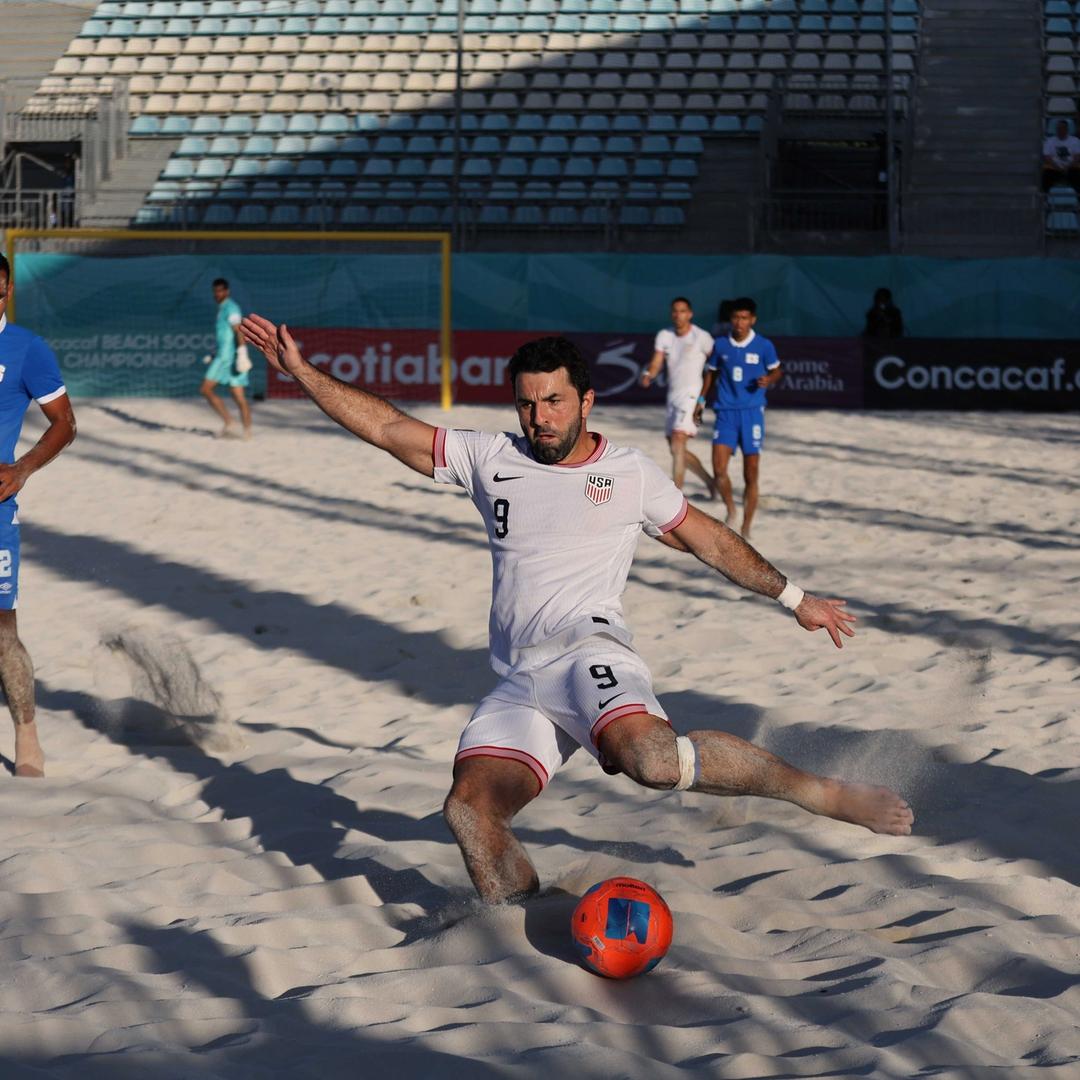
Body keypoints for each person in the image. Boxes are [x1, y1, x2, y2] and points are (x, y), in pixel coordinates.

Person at [241, 316, 913, 904]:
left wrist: (795, 598)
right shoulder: (489, 458)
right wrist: (302, 372)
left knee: (653, 762)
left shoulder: (628, 473)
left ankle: (817, 792)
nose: (540, 417)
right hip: (519, 679)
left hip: (589, 653)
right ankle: (525, 920)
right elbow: (389, 428)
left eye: (555, 401)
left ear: (586, 401)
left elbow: (706, 538)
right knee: (470, 812)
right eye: (527, 404)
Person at [0, 254, 77, 778]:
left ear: (6, 291)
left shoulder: (26, 348)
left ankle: (26, 733)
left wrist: (23, 467)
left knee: (2, 631)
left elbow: (65, 423)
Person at [693, 297, 782, 540]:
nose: (739, 322)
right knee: (719, 469)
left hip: (752, 414)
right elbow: (711, 374)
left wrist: (769, 379)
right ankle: (731, 510)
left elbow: (777, 370)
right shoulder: (721, 345)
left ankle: (746, 526)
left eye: (744, 318)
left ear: (752, 320)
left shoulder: (764, 345)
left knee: (751, 473)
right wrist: (701, 401)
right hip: (725, 414)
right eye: (735, 317)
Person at [639, 296, 715, 497]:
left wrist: (703, 398)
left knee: (678, 442)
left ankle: (676, 494)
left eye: (682, 311)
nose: (678, 315)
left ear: (690, 314)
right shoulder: (665, 335)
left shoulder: (702, 337)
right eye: (675, 311)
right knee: (676, 448)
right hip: (673, 396)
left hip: (692, 396)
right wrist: (649, 374)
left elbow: (715, 365)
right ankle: (711, 482)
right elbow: (656, 363)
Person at [201, 278, 253, 438]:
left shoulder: (231, 308)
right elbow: (225, 337)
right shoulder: (222, 308)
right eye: (215, 291)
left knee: (235, 395)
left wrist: (242, 353)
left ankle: (246, 431)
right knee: (209, 390)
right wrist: (214, 353)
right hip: (222, 356)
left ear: (227, 291)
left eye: (220, 291)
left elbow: (239, 330)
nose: (217, 294)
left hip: (230, 359)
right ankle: (231, 423)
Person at [1041, 119, 1080, 193]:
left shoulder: (1075, 141)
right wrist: (1057, 167)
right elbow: (1047, 157)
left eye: (1062, 128)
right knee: (1046, 177)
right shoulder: (1049, 141)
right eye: (1058, 128)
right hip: (1054, 168)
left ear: (1067, 129)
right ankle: (1044, 197)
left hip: (1071, 167)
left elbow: (1077, 157)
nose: (1060, 130)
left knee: (1077, 177)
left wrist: (1067, 167)